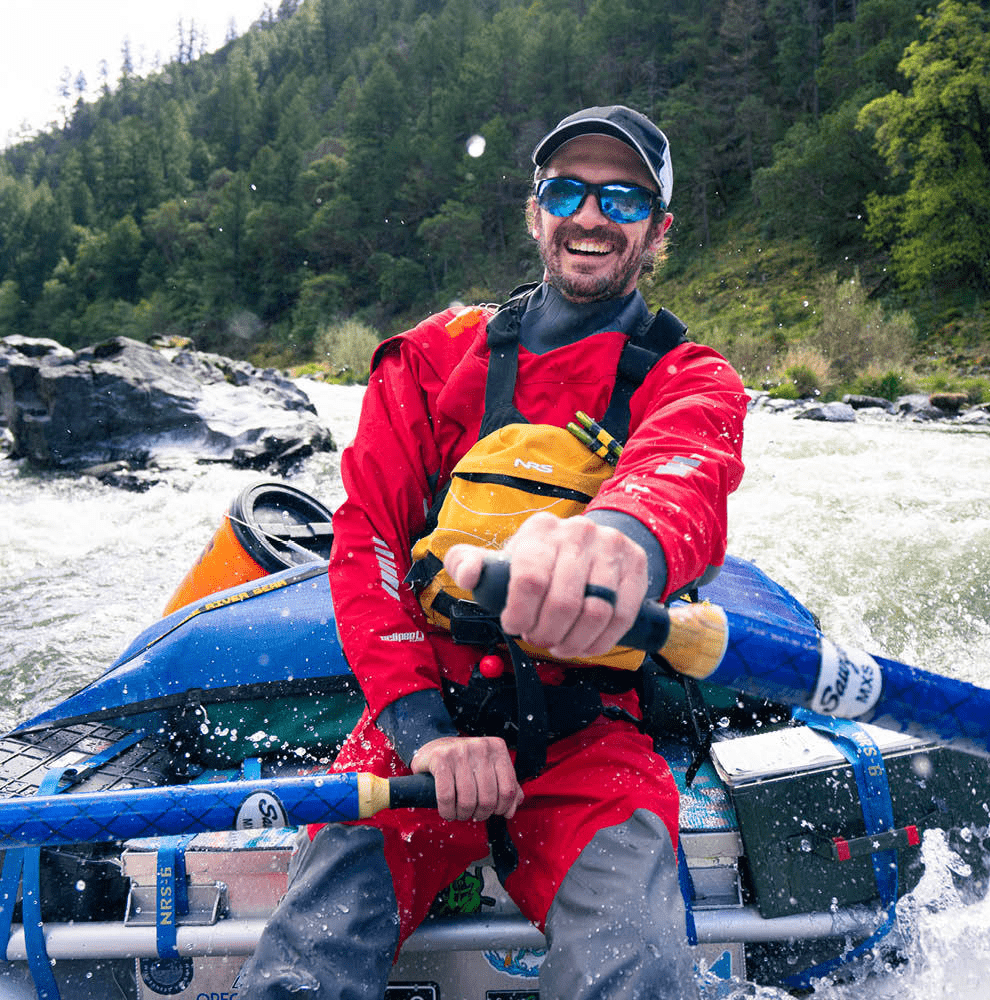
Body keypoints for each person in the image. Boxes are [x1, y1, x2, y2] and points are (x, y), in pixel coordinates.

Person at [242, 105, 748, 1000]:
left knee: (635, 967)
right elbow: (367, 546)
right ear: (535, 211)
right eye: (567, 190)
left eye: (624, 199)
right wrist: (423, 732)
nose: (591, 216)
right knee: (301, 970)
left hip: (589, 736)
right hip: (418, 727)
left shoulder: (690, 378)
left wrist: (617, 542)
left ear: (659, 231)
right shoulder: (435, 358)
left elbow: (681, 479)